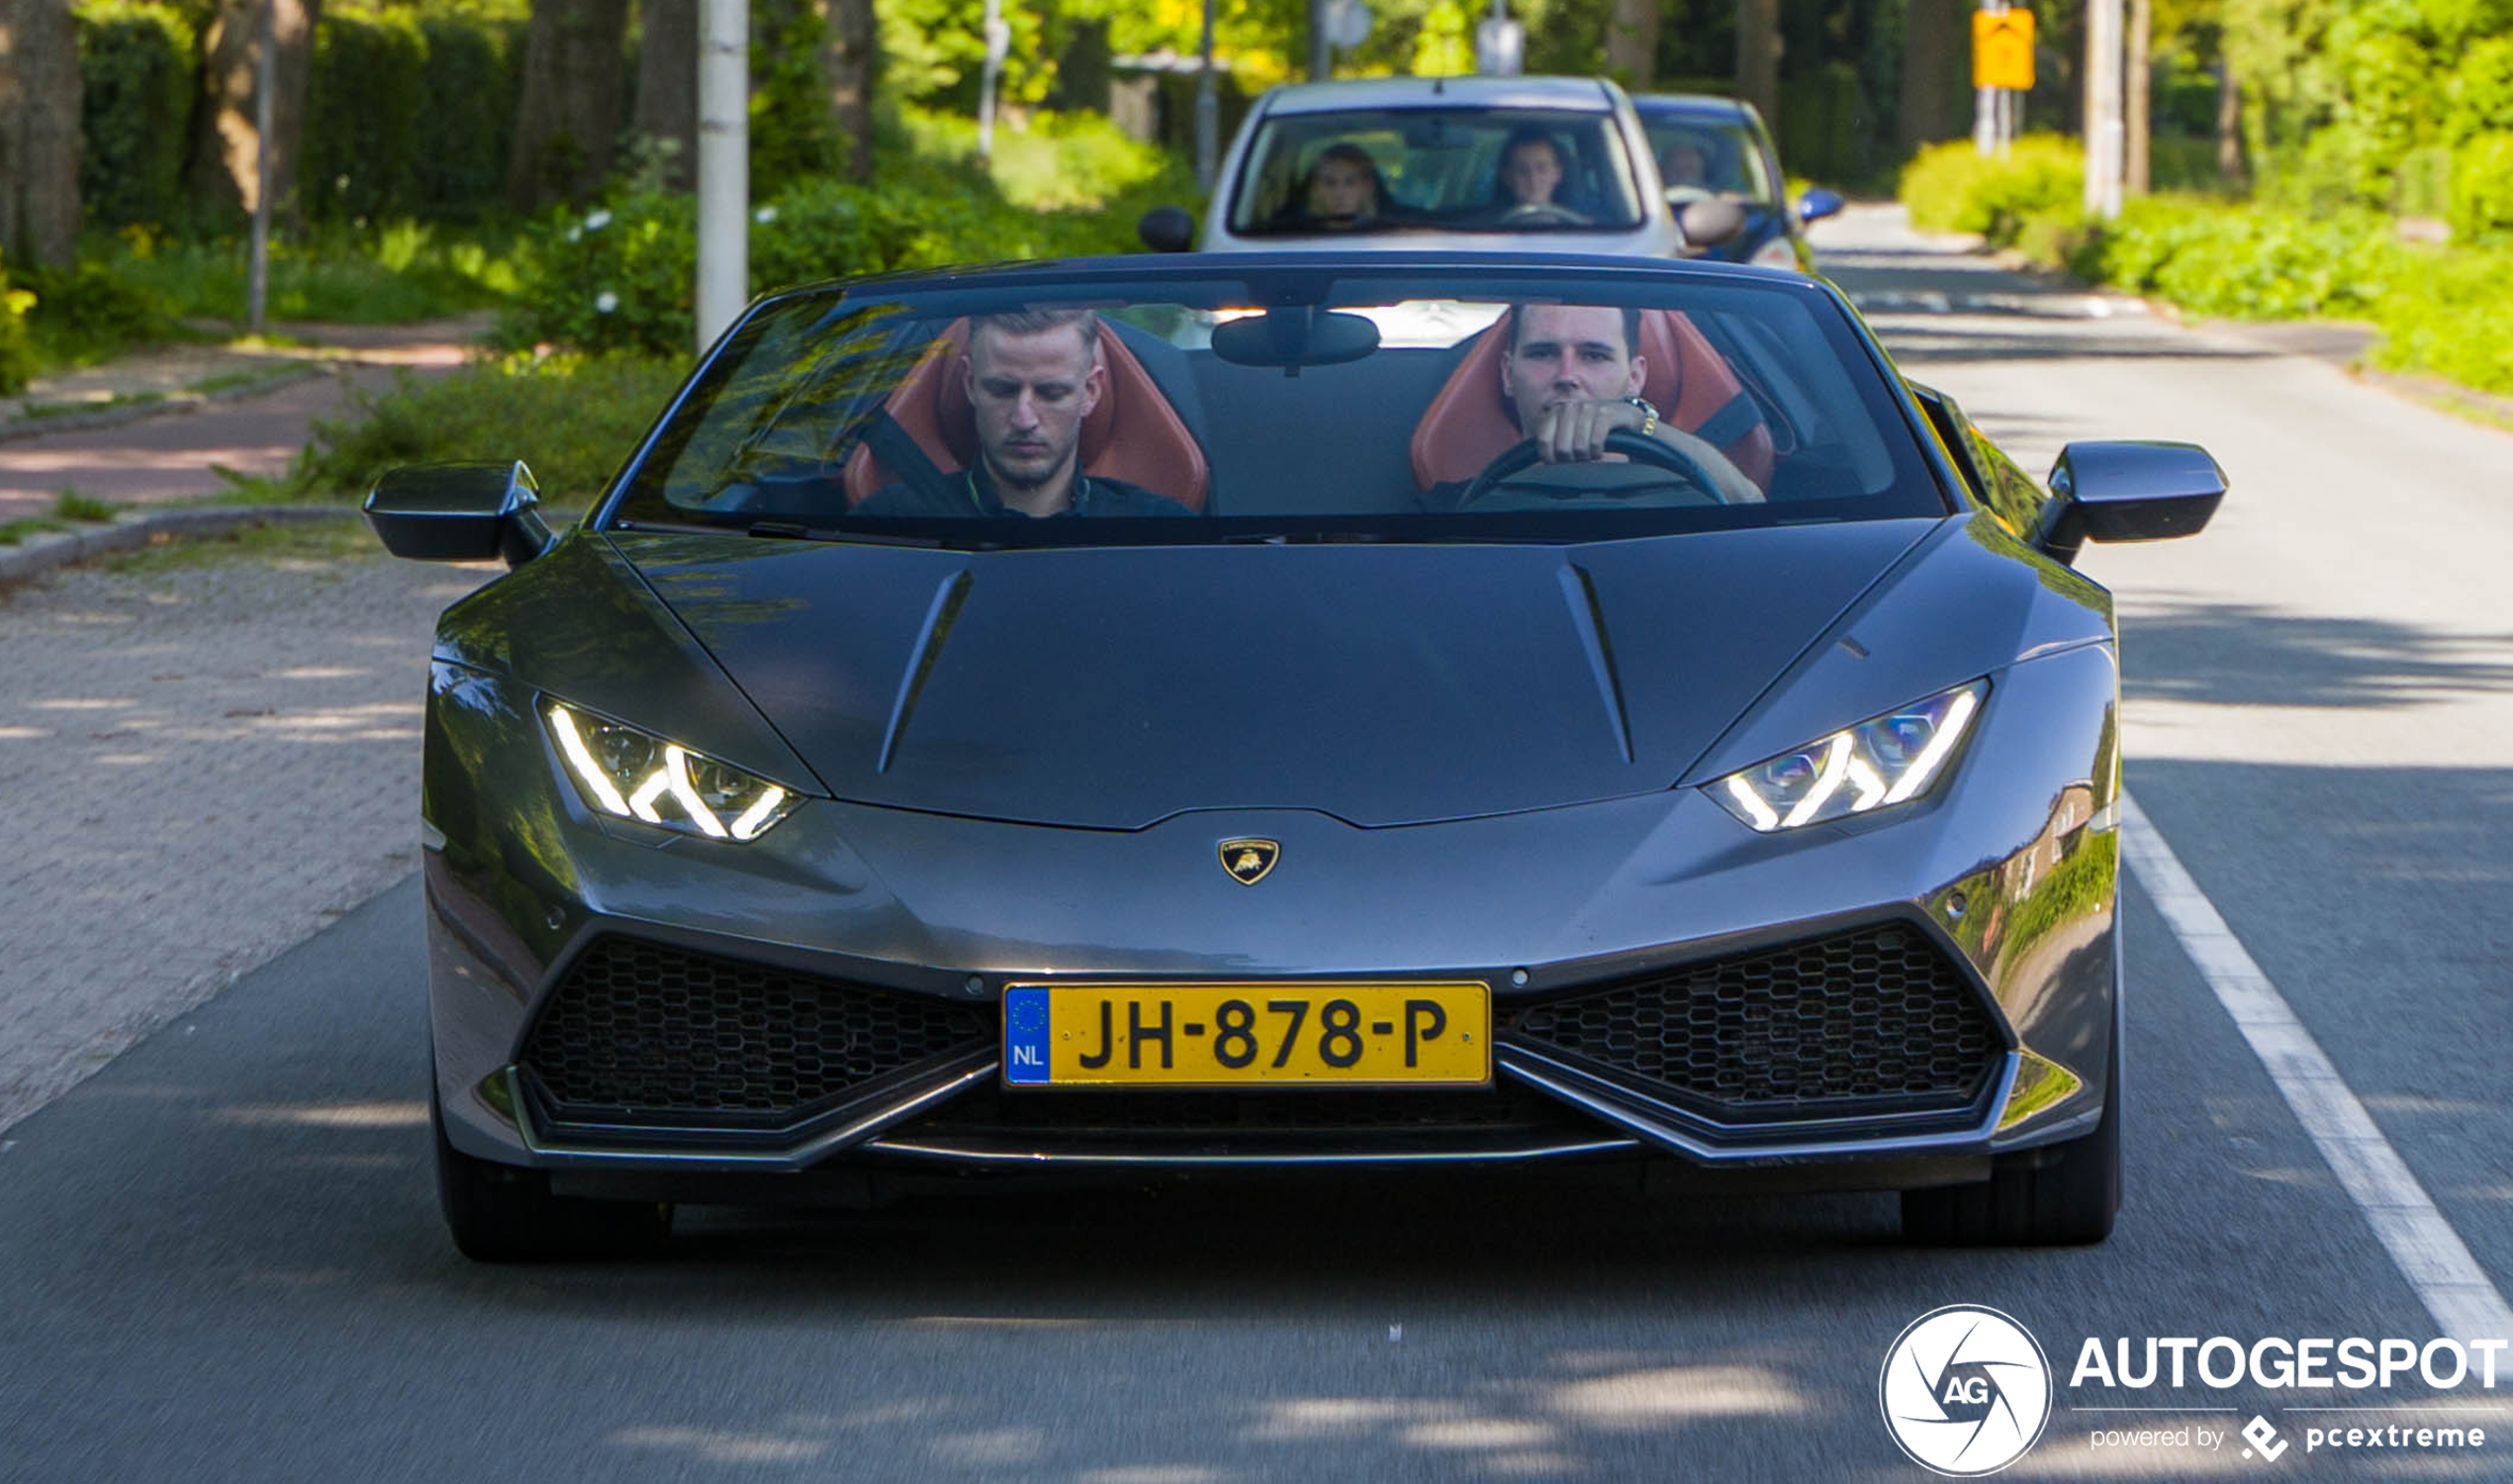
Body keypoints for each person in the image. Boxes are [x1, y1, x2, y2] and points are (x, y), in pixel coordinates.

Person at [856, 309, 1193, 519]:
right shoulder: (891, 522)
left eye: (1051, 393)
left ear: (1090, 392)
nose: (1024, 419)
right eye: (1002, 390)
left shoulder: (1157, 531)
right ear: (970, 384)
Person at [1426, 303, 1764, 508]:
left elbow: (1748, 505)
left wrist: (1638, 423)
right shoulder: (1451, 507)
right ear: (1507, 373)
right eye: (1543, 353)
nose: (1567, 375)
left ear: (1635, 376)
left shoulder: (1688, 497)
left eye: (1594, 355)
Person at [1282, 142, 1391, 230]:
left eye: (1350, 183)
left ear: (1367, 188)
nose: (1339, 193)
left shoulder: (1395, 234)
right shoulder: (1286, 234)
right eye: (1329, 183)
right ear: (1315, 189)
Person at [1491, 128, 1590, 223]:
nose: (1533, 179)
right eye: (1522, 170)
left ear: (1557, 173)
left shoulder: (1588, 232)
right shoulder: (1485, 232)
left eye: (1542, 169)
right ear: (1507, 177)